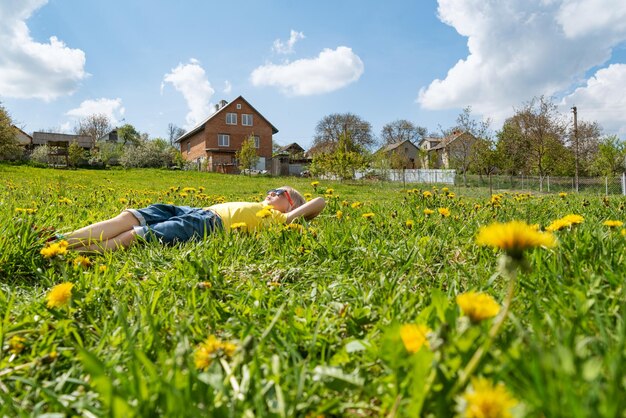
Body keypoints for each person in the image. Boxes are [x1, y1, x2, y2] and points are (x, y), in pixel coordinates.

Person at [60, 186, 325, 252]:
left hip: (208, 225)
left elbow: (319, 202)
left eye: (279, 192)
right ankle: (63, 240)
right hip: (194, 210)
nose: (270, 192)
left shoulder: (278, 219)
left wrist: (292, 214)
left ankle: (78, 252)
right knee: (128, 217)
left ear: (291, 204)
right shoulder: (261, 207)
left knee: (136, 236)